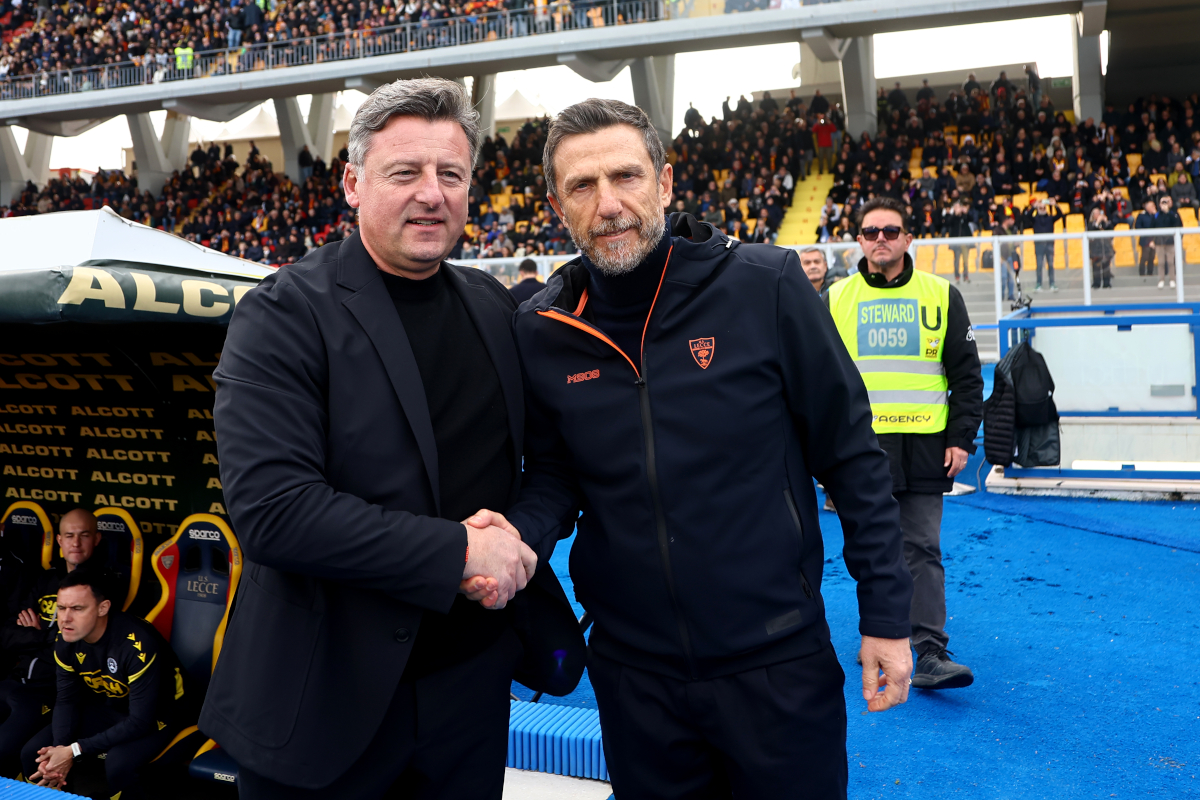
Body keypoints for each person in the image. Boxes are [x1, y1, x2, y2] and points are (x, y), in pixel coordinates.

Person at [473, 98, 914, 798]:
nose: (609, 203)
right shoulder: (542, 330)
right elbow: (556, 476)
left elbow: (851, 455)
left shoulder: (764, 286)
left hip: (776, 660)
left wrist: (887, 617)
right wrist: (516, 536)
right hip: (632, 676)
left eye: (626, 176)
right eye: (583, 186)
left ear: (667, 183)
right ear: (557, 206)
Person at [198, 78, 580, 799]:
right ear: (352, 182)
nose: (431, 193)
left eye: (451, 174)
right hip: (321, 704)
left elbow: (550, 470)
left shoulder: (493, 308)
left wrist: (515, 544)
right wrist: (462, 551)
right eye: (405, 172)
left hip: (469, 692)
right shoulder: (281, 314)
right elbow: (275, 513)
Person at [827, 196, 983, 690]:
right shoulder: (835, 298)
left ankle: (929, 651)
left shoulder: (941, 293)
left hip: (925, 447)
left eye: (890, 232)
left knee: (921, 547)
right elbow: (819, 382)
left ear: (908, 238)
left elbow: (966, 376)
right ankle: (879, 633)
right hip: (862, 450)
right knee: (871, 549)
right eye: (871, 232)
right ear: (858, 240)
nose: (880, 240)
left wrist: (961, 438)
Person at [21, 570, 193, 797]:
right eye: (61, 608)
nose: (65, 618)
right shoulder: (65, 638)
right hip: (113, 706)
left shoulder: (137, 644)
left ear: (103, 608)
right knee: (35, 753)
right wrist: (60, 751)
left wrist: (74, 751)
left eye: (77, 609)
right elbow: (66, 700)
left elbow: (141, 721)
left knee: (119, 764)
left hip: (163, 714)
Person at [0, 510, 126, 776]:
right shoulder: (45, 578)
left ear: (97, 539)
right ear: (59, 540)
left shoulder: (104, 585)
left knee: (4, 748)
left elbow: (77, 644)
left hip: (50, 690)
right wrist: (46, 637)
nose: (76, 543)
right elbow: (7, 635)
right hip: (14, 679)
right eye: (69, 536)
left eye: (84, 536)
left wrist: (35, 636)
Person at [1023, 199, 1063, 291]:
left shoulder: (1050, 218)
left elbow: (1060, 215)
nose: (1042, 209)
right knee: (1039, 265)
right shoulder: (1035, 219)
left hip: (1049, 244)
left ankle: (1052, 283)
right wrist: (1034, 207)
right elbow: (1027, 216)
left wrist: (1055, 205)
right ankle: (1038, 284)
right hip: (1039, 245)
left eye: (1043, 207)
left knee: (1051, 265)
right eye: (1040, 208)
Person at [1154, 194, 1182, 290]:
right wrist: (1161, 212)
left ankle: (1172, 280)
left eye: (1166, 202)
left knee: (1170, 261)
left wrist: (1168, 212)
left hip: (1170, 241)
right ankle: (1161, 280)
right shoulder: (1157, 215)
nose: (1164, 204)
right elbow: (1154, 224)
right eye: (1162, 202)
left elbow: (1177, 223)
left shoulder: (1174, 213)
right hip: (1159, 241)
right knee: (1161, 262)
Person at [1087, 206, 1115, 290]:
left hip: (1105, 248)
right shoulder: (1090, 224)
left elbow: (1111, 232)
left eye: (1099, 213)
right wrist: (1097, 222)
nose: (1098, 215)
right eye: (1096, 213)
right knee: (1096, 266)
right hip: (1095, 249)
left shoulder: (1104, 224)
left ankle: (1107, 283)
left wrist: (1106, 222)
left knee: (1106, 266)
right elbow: (1091, 231)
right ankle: (1096, 283)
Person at [1135, 198, 1158, 276]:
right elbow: (1137, 227)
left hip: (1154, 238)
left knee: (1152, 257)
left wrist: (1155, 215)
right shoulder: (1141, 215)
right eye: (1152, 206)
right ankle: (1142, 273)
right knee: (1144, 257)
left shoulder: (1156, 215)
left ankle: (1150, 272)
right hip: (1145, 239)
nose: (1154, 207)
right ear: (1147, 207)